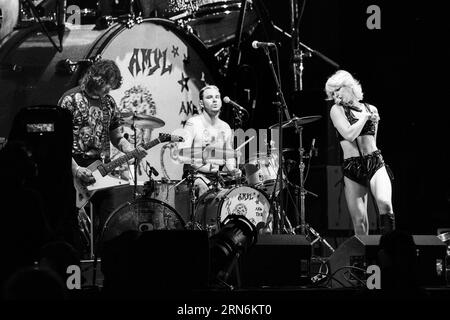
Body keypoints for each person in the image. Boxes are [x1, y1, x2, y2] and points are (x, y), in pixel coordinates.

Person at [58, 59, 146, 247]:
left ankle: (105, 258)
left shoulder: (109, 103)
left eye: (112, 86)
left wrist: (129, 148)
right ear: (97, 78)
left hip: (98, 167)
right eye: (108, 84)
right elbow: (58, 142)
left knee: (110, 218)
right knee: (70, 223)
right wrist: (75, 169)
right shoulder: (70, 100)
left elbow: (116, 136)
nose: (109, 89)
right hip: (72, 165)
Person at [325, 70, 395, 235]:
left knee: (385, 203)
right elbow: (349, 134)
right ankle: (366, 259)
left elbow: (373, 140)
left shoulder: (371, 109)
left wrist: (368, 115)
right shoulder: (336, 110)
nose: (336, 96)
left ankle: (391, 251)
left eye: (337, 91)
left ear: (348, 87)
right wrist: (364, 117)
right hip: (353, 166)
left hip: (374, 161)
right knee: (360, 222)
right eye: (332, 93)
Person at [176, 85, 241, 198]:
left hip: (216, 178)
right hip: (195, 177)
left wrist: (232, 169)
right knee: (205, 190)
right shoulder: (193, 123)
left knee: (231, 197)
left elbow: (229, 155)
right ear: (201, 103)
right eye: (210, 97)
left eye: (217, 97)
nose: (215, 100)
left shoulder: (225, 127)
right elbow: (182, 152)